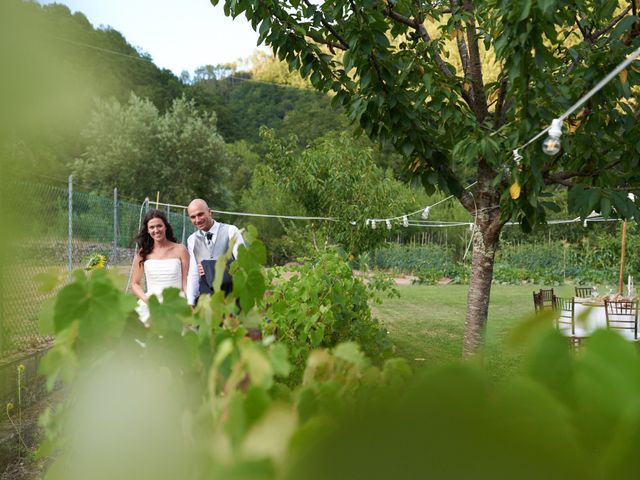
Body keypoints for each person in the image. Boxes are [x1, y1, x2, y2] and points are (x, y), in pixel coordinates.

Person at [131, 209, 189, 326]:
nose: (156, 230)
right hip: (152, 304)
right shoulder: (143, 253)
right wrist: (148, 302)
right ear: (147, 230)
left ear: (165, 227)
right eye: (152, 227)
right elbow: (135, 283)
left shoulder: (180, 250)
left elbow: (186, 281)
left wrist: (189, 303)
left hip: (176, 302)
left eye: (159, 226)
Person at [186, 198, 245, 306]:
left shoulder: (231, 231)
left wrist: (208, 267)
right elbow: (194, 274)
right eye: (193, 217)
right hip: (207, 301)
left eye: (200, 214)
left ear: (209, 211)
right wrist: (190, 302)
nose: (197, 220)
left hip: (232, 298)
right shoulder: (192, 240)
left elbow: (243, 265)